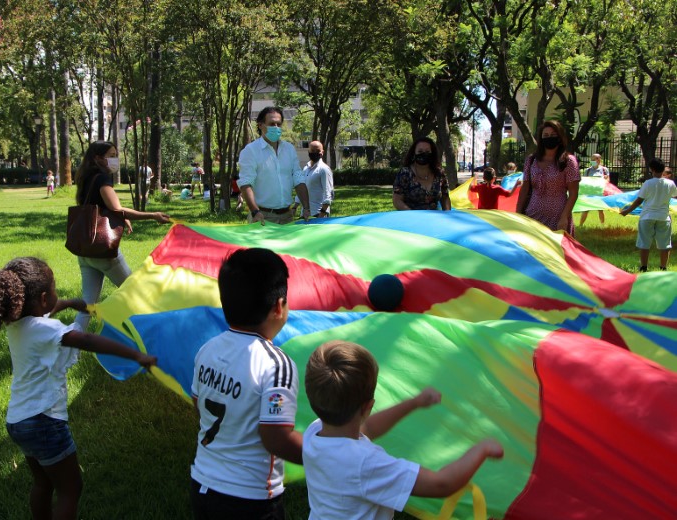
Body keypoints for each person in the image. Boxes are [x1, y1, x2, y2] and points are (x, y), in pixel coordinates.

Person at [0, 257, 156, 520]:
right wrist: (136, 356)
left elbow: (58, 312)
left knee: (43, 483)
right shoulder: (45, 329)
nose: (58, 293)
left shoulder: (18, 322)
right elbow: (86, 340)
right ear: (43, 298)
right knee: (70, 489)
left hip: (18, 421)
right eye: (54, 288)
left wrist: (72, 303)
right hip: (44, 422)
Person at [302, 340, 504, 519]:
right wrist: (483, 448)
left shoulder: (314, 432)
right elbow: (441, 484)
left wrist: (414, 403)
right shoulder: (366, 464)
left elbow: (368, 427)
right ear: (368, 407)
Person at [190, 248, 303, 519]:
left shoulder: (207, 349)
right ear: (279, 306)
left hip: (201, 484)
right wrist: (327, 454)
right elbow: (276, 439)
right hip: (250, 499)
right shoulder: (277, 365)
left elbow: (198, 403)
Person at [73, 141, 171, 330]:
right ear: (98, 158)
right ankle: (150, 332)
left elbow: (97, 207)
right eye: (111, 155)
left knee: (86, 304)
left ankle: (71, 346)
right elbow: (116, 208)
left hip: (85, 251)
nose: (115, 159)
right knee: (135, 293)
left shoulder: (85, 177)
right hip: (103, 252)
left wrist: (120, 218)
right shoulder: (102, 179)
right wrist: (153, 215)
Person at [238, 106, 310, 225]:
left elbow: (298, 179)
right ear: (261, 125)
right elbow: (246, 184)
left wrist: (306, 207)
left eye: (278, 124)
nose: (276, 127)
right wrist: (255, 211)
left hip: (287, 217)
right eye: (271, 124)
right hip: (262, 217)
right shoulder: (250, 151)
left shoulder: (289, 149)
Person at [516, 120, 580, 235]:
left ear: (560, 137)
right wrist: (518, 212)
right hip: (533, 216)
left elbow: (573, 193)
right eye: (545, 135)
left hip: (558, 218)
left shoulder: (568, 161)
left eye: (553, 135)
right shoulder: (531, 160)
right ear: (541, 138)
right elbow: (525, 188)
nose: (549, 138)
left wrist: (564, 217)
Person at [620, 158, 677, 272]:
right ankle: (663, 267)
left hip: (647, 217)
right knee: (664, 244)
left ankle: (644, 267)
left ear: (652, 169)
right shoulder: (670, 184)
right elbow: (674, 196)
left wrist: (627, 211)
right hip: (663, 217)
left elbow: (639, 200)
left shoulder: (648, 183)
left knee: (644, 243)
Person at [392, 137, 451, 211]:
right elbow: (397, 200)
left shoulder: (439, 174)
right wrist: (413, 215)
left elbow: (445, 197)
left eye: (427, 151)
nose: (424, 154)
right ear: (414, 153)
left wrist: (447, 215)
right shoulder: (405, 173)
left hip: (435, 219)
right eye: (420, 151)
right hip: (411, 219)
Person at [303, 140, 334, 217]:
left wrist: (322, 213)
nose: (315, 152)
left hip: (318, 214)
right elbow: (302, 189)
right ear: (308, 151)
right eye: (312, 150)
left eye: (317, 151)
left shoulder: (324, 169)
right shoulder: (305, 168)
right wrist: (295, 207)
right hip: (306, 214)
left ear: (322, 152)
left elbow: (328, 193)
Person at [579, 154, 610, 226]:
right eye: (592, 159)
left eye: (595, 159)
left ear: (599, 160)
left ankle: (602, 225)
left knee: (600, 210)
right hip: (589, 193)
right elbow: (584, 181)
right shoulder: (588, 170)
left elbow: (608, 180)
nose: (593, 161)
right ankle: (581, 225)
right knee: (585, 209)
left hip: (599, 192)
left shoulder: (604, 170)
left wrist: (605, 179)